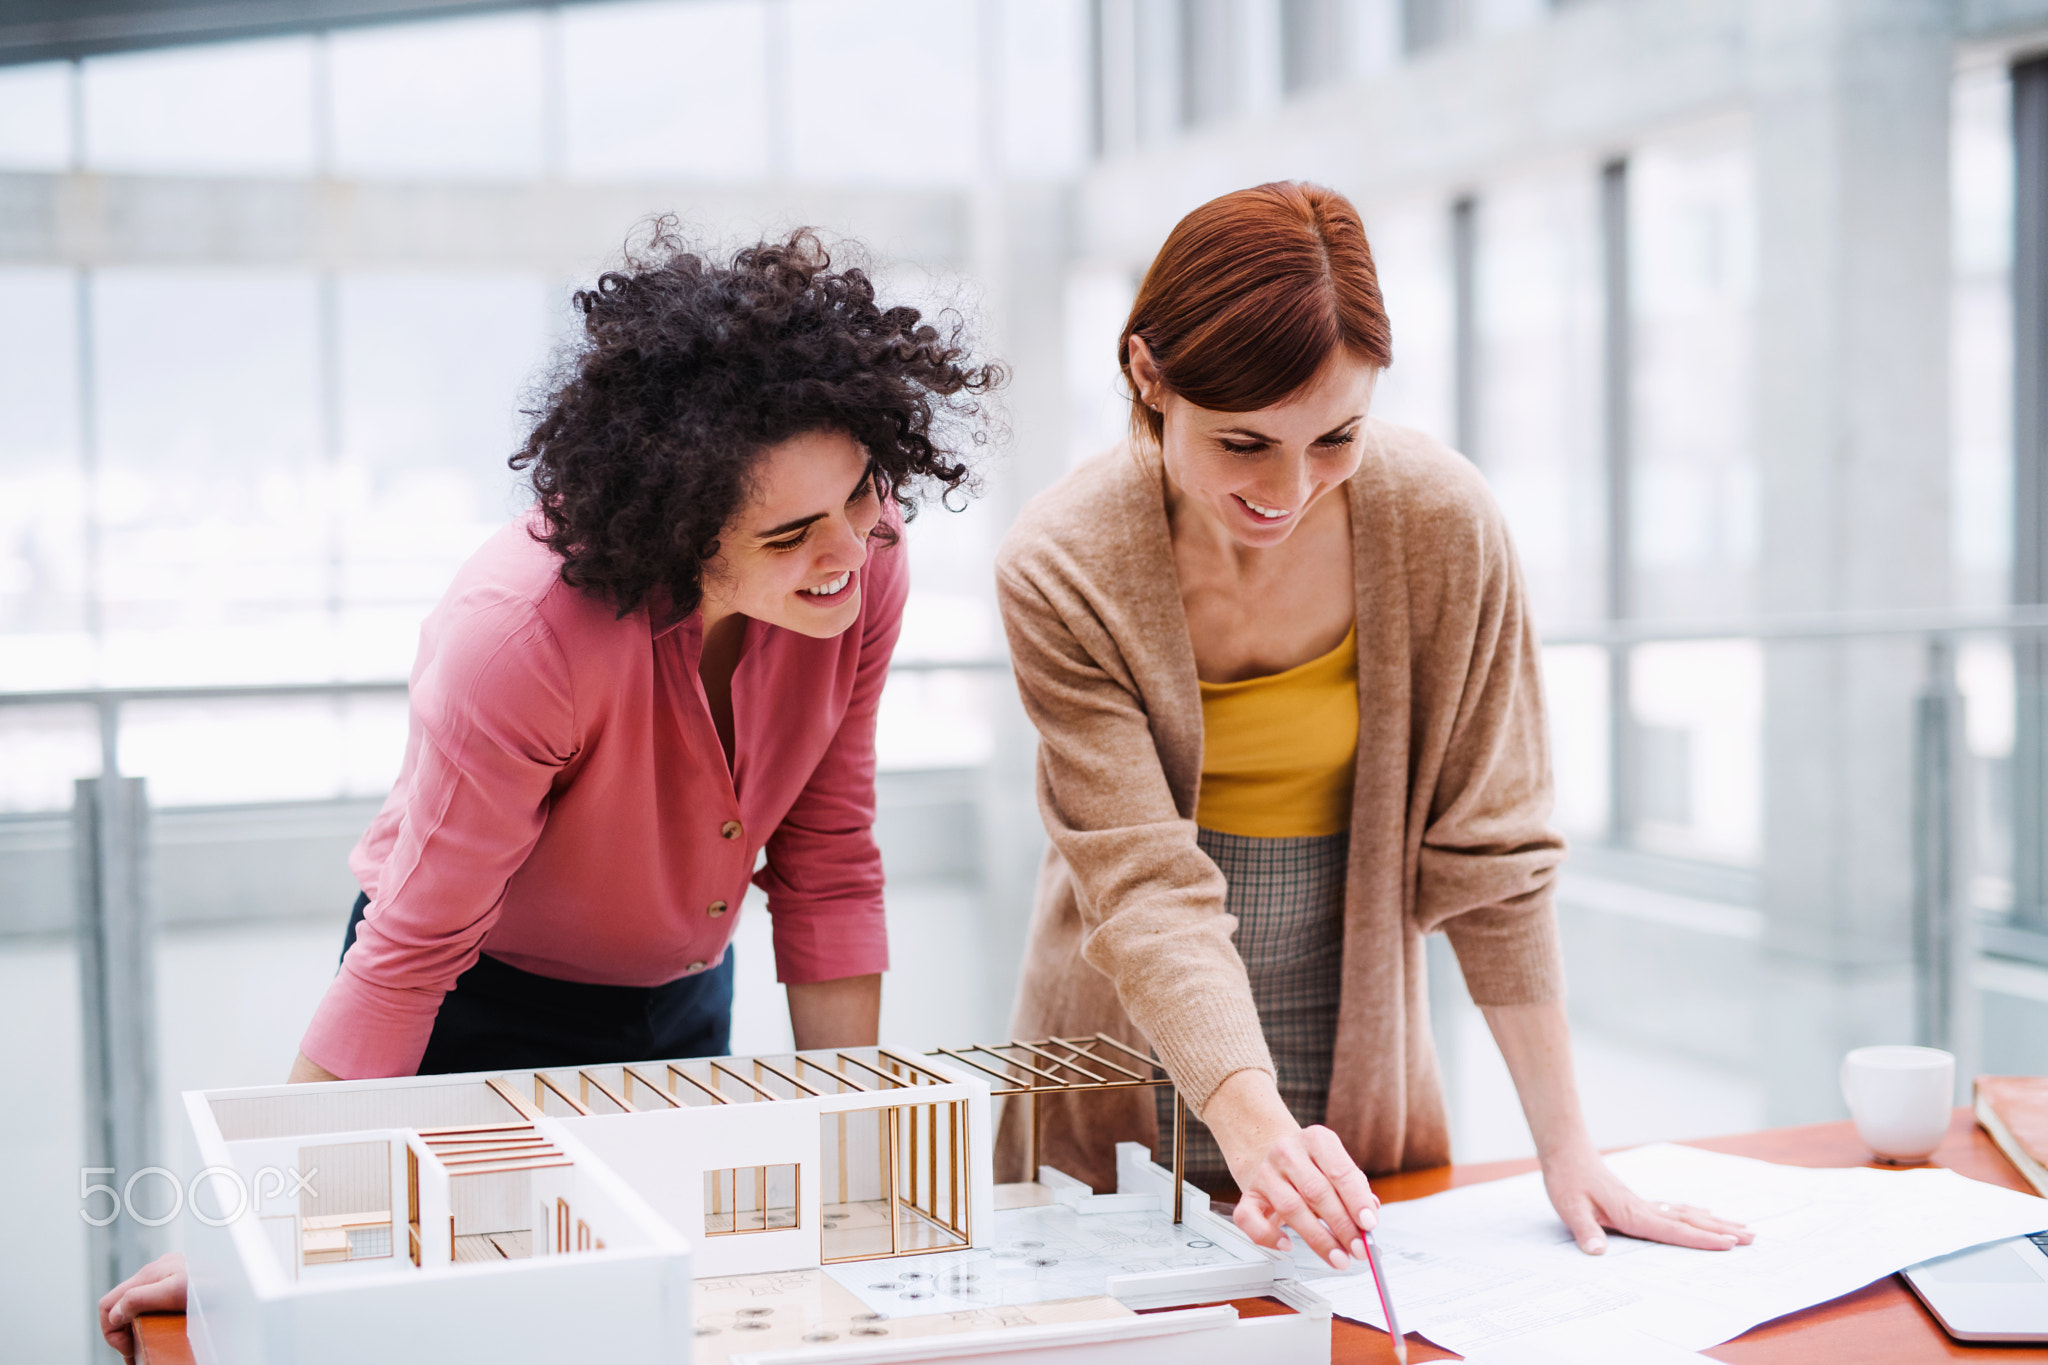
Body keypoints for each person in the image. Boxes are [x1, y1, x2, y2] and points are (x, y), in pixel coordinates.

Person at [98, 223, 1000, 1359]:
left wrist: (860, 1175)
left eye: (862, 495)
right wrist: (260, 1239)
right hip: (479, 1007)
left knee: (659, 1327)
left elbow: (825, 855)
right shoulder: (518, 639)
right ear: (682, 528)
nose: (849, 552)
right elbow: (411, 947)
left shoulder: (863, 564)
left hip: (678, 1002)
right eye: (788, 533)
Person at [994, 181, 1751, 1270]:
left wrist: (1566, 1145)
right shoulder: (1061, 564)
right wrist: (1256, 1136)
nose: (1287, 489)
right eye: (1242, 443)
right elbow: (1145, 889)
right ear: (1145, 375)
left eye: (1333, 437)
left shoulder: (1440, 523)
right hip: (1120, 1053)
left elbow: (1493, 854)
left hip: (1354, 1040)